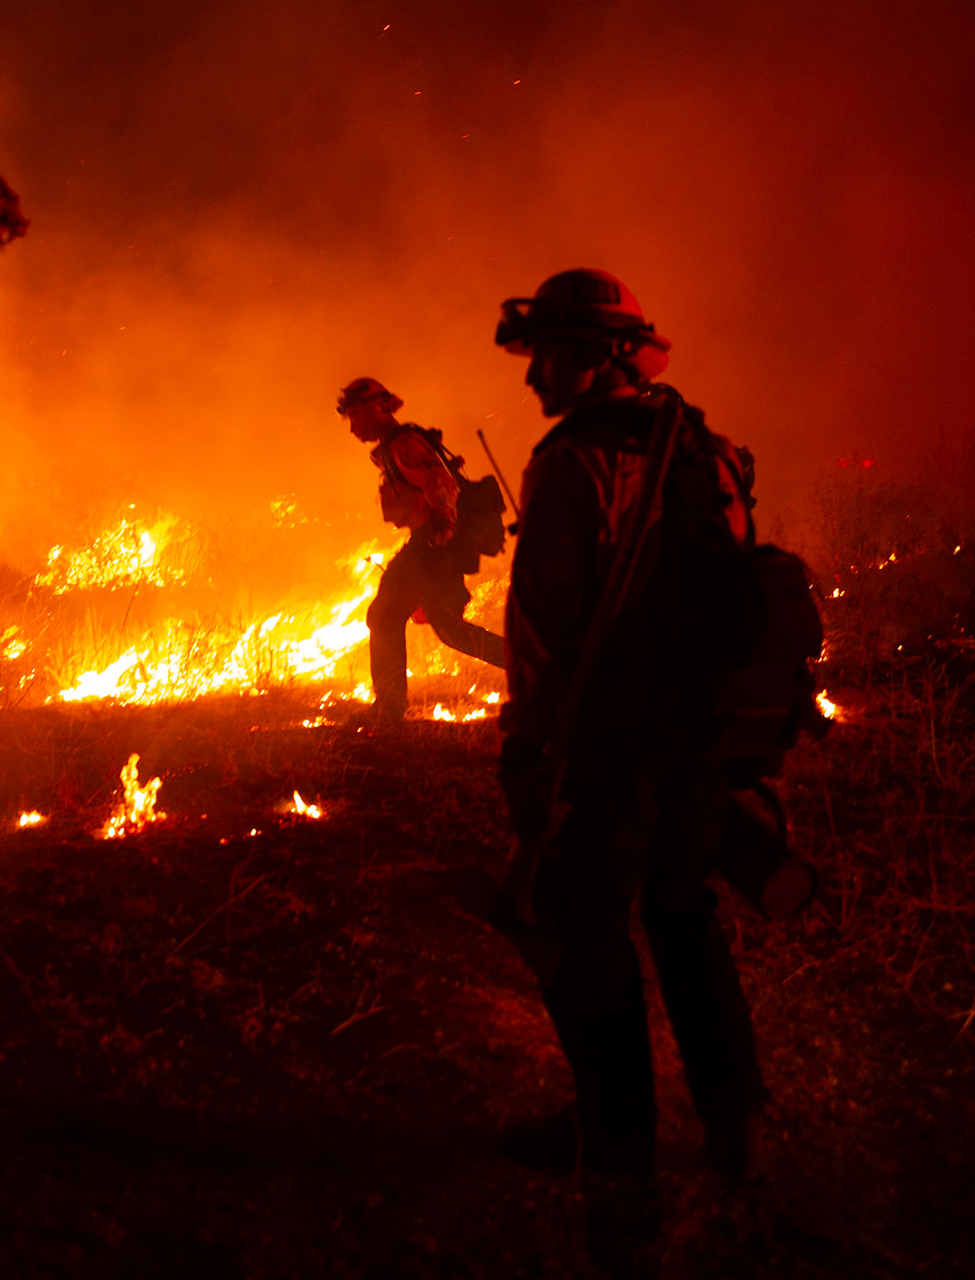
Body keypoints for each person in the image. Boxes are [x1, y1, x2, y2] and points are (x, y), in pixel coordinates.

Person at [492, 270, 761, 1273]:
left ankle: (615, 1143)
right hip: (699, 730)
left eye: (550, 356)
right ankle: (734, 1121)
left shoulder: (569, 463)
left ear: (599, 355)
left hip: (612, 735)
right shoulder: (702, 442)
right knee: (682, 911)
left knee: (581, 924)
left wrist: (529, 736)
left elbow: (548, 619)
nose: (534, 380)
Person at [338, 376, 506, 726]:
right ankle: (543, 667)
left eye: (356, 416)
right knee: (447, 629)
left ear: (378, 411)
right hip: (429, 541)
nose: (352, 427)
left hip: (433, 544)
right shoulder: (394, 446)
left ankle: (388, 709)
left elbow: (440, 483)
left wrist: (441, 526)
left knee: (386, 616)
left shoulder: (405, 444)